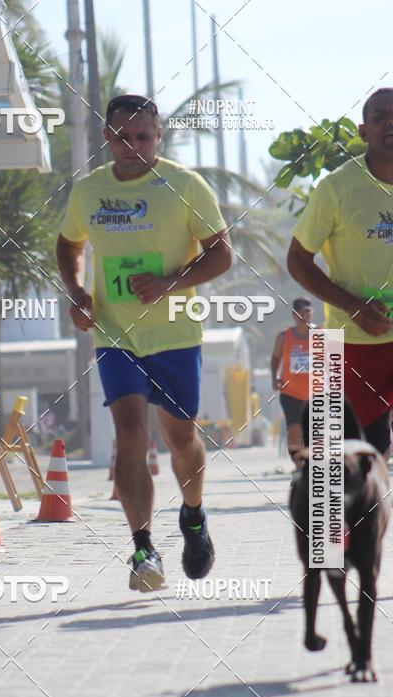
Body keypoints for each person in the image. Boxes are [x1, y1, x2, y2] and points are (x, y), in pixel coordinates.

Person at [56, 94, 231, 591]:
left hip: (175, 332)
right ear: (106, 137)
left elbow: (222, 255)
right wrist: (79, 293)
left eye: (143, 136)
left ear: (159, 137)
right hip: (115, 334)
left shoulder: (184, 185)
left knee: (180, 439)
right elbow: (68, 243)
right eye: (121, 136)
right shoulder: (89, 191)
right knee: (130, 434)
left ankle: (193, 516)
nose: (132, 145)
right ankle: (142, 549)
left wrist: (169, 283)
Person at [287, 87, 393, 593]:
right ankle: (331, 557)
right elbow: (298, 261)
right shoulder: (337, 188)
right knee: (351, 457)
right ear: (362, 132)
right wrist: (353, 305)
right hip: (348, 343)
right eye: (379, 115)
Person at [270, 298, 313, 463]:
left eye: (308, 311)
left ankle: (312, 465)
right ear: (294, 315)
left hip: (315, 392)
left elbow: (333, 360)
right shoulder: (284, 337)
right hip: (290, 392)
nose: (305, 315)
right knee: (294, 430)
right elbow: (275, 358)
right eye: (301, 312)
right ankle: (298, 467)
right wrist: (274, 377)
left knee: (314, 431)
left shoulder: (321, 335)